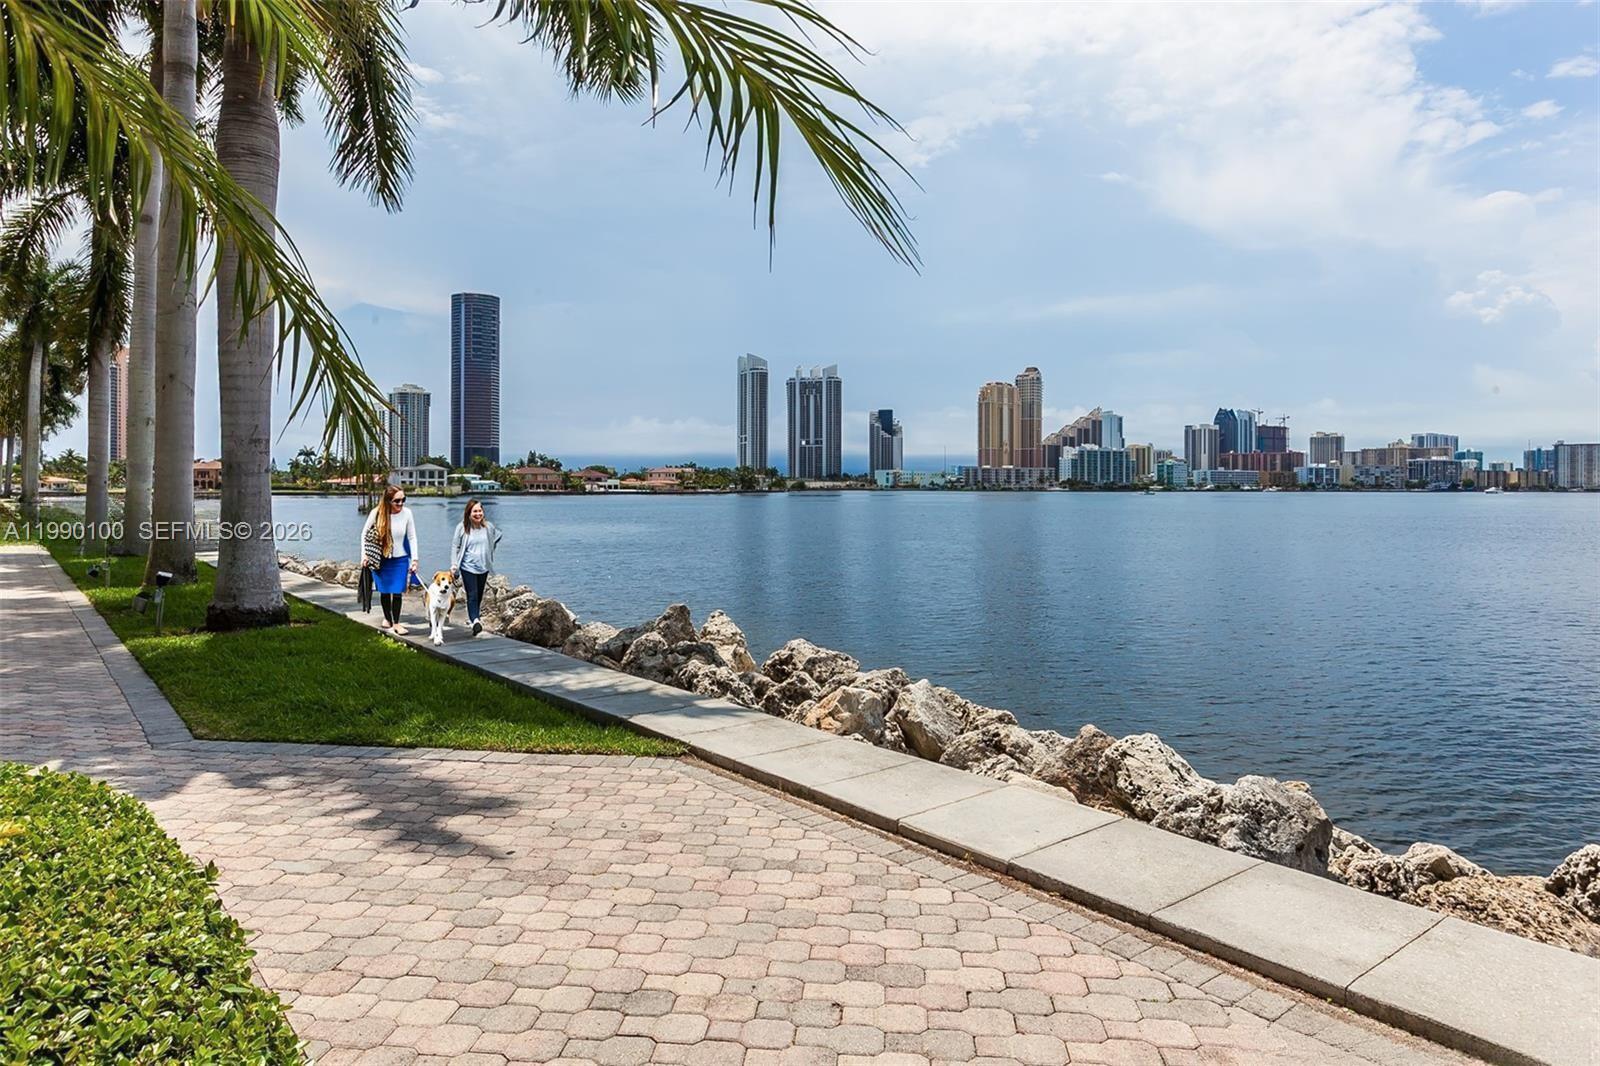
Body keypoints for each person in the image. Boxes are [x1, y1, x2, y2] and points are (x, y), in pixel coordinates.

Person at [360, 484, 419, 634]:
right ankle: (388, 619)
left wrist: (415, 559)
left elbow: (412, 537)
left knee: (397, 591)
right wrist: (364, 555)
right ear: (388, 501)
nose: (401, 503)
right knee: (385, 591)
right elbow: (364, 534)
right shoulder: (377, 513)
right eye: (397, 501)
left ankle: (397, 623)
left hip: (400, 559)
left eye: (403, 500)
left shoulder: (407, 513)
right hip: (381, 559)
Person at [450, 498, 502, 636]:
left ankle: (474, 619)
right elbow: (455, 546)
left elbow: (497, 536)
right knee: (472, 595)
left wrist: (490, 552)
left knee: (479, 595)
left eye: (480, 511)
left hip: (483, 567)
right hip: (467, 567)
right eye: (474, 511)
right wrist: (454, 564)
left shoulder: (488, 527)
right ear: (469, 513)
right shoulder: (462, 527)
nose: (478, 514)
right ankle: (475, 620)